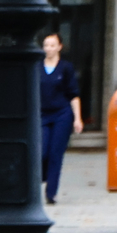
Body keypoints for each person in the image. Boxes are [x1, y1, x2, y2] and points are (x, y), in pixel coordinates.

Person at [38, 31, 83, 204]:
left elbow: (73, 94)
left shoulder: (66, 68)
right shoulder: (37, 67)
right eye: (46, 45)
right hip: (43, 114)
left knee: (56, 153)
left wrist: (77, 118)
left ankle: (51, 192)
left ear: (59, 47)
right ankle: (43, 175)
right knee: (42, 152)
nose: (48, 48)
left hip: (62, 114)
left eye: (52, 45)